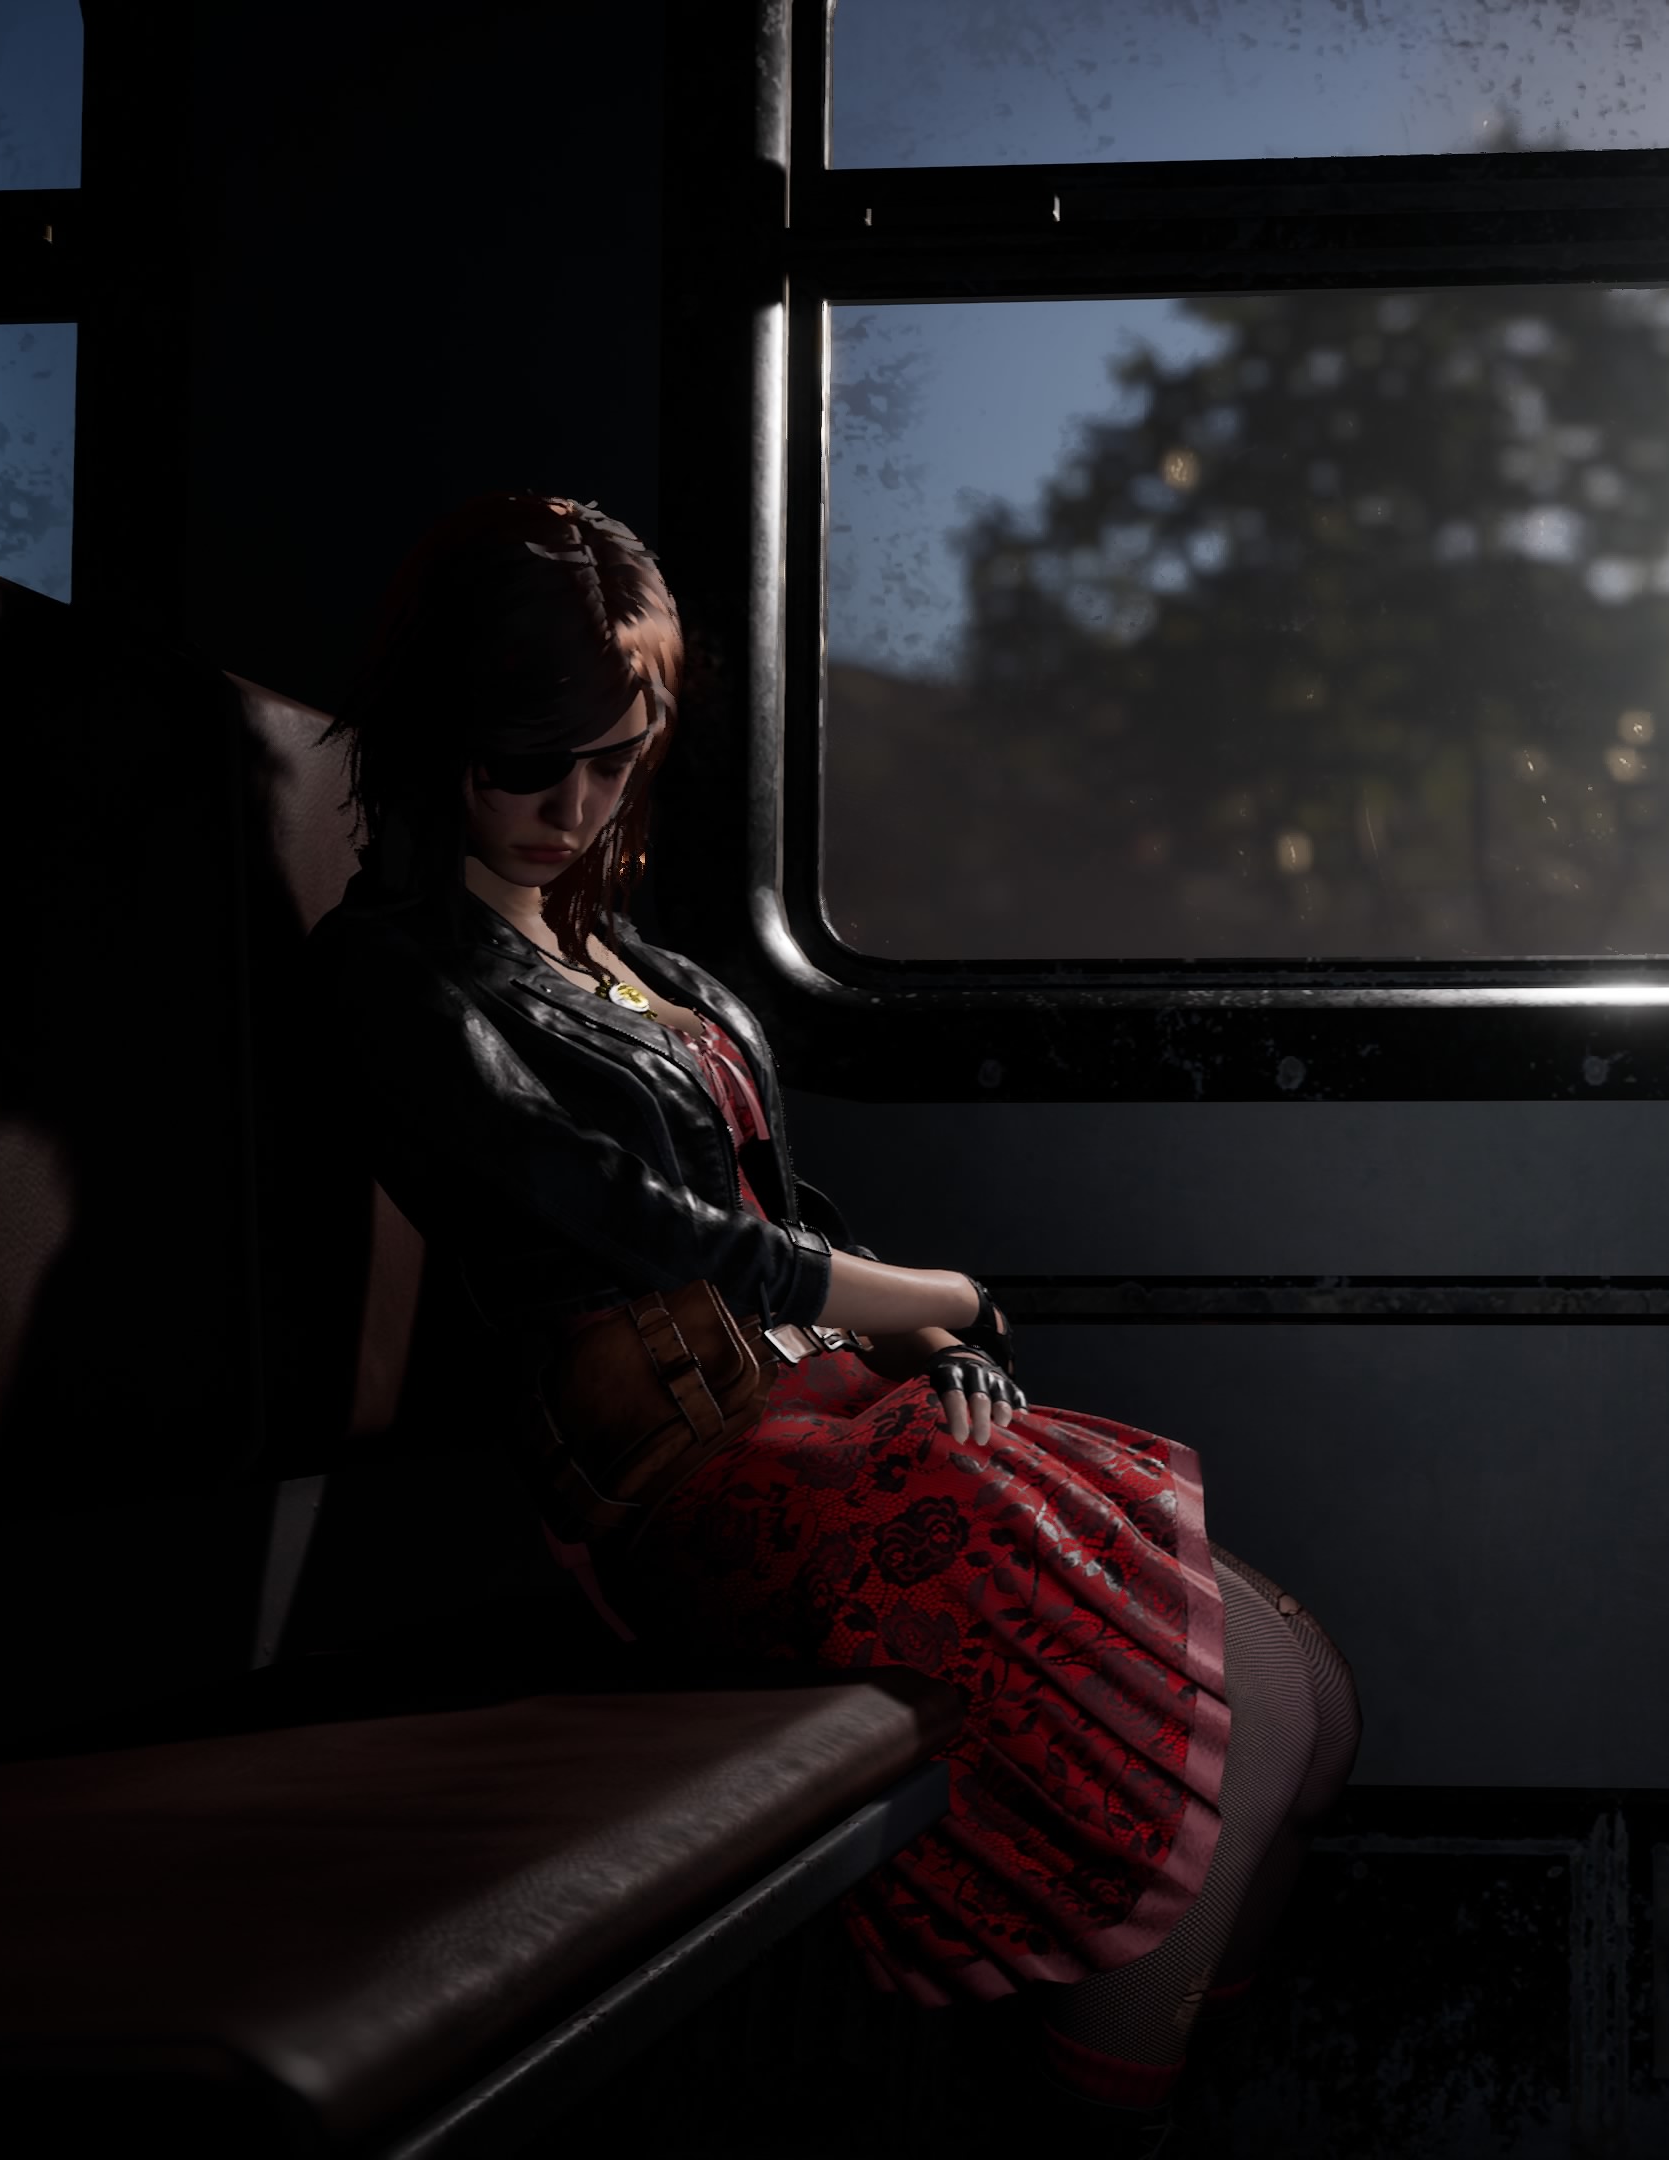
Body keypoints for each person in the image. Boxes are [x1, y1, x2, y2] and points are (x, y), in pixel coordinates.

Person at [305, 493, 1356, 2148]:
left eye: (614, 763)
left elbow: (783, 1201)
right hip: (681, 1484)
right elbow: (618, 1213)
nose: (573, 809)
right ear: (441, 742)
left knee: (1307, 1690)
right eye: (528, 766)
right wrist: (914, 1295)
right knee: (1253, 1714)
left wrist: (930, 1348)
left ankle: (1138, 2093)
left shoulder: (635, 963)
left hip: (827, 1414)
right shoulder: (390, 975)